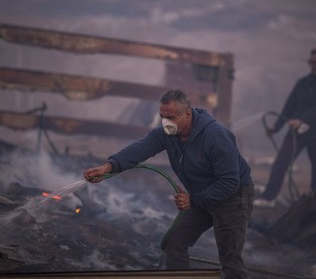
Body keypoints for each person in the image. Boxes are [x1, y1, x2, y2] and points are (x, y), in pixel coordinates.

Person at [84, 89, 254, 279]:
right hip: (199, 196)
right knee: (173, 243)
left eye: (171, 117)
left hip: (233, 197)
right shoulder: (167, 134)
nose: (166, 123)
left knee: (230, 260)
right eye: (162, 117)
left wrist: (194, 200)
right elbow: (140, 148)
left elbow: (230, 182)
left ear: (187, 114)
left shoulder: (217, 136)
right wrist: (107, 167)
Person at [254, 46, 316, 208]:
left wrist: (301, 120)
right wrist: (276, 127)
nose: (312, 65)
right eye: (310, 61)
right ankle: (268, 197)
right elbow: (289, 106)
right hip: (296, 133)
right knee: (281, 163)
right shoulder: (302, 83)